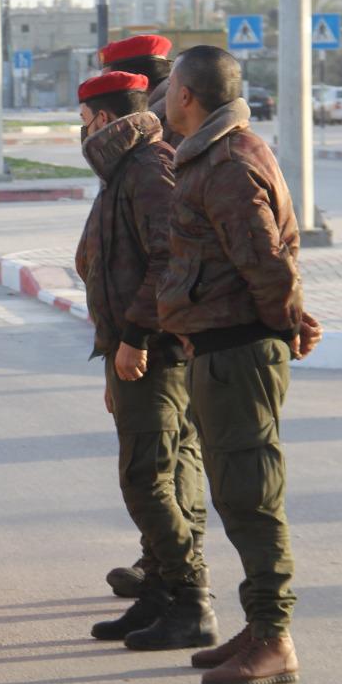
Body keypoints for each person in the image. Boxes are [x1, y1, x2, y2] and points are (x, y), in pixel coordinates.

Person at [158, 44, 322, 684]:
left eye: (170, 87)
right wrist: (289, 317)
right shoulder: (219, 154)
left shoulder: (225, 161)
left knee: (252, 494)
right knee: (234, 490)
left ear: (189, 96)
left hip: (237, 349)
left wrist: (283, 321)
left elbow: (264, 259)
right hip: (223, 346)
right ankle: (258, 626)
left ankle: (275, 637)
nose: (164, 97)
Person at [75, 72, 217, 653]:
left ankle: (190, 599)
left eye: (83, 119)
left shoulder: (148, 168)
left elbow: (169, 260)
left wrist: (134, 336)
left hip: (156, 352)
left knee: (148, 479)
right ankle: (159, 594)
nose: (78, 130)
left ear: (105, 119)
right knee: (150, 474)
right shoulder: (123, 168)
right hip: (131, 349)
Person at [93, 34, 203, 599]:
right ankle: (166, 574)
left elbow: (168, 255)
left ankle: (184, 586)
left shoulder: (154, 147)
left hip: (165, 339)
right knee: (164, 462)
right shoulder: (141, 146)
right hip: (151, 336)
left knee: (157, 469)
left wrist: (135, 335)